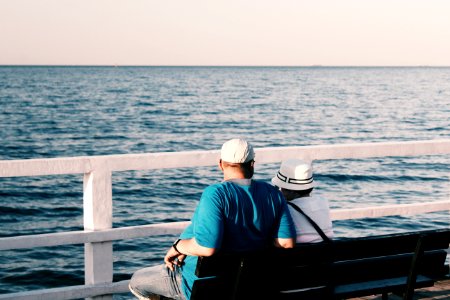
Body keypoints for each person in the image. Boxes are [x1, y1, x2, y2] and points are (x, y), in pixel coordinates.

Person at [129, 139, 296, 300]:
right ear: (252, 164)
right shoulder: (273, 193)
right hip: (250, 284)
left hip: (203, 286)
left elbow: (207, 247)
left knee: (137, 281)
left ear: (220, 164)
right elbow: (286, 243)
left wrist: (178, 246)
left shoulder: (216, 193)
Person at [272, 158, 334, 243]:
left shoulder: (287, 210)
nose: (280, 191)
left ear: (292, 191)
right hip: (327, 253)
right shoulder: (323, 202)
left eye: (281, 188)